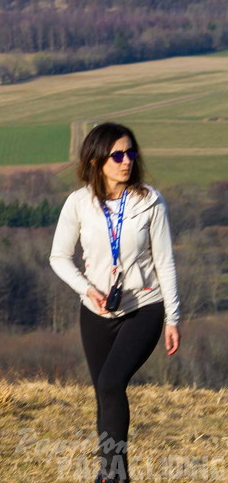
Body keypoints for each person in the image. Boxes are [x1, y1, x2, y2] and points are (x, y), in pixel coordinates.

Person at [49, 122, 181, 483]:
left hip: (144, 307)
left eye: (131, 153)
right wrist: (86, 289)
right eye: (118, 155)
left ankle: (113, 475)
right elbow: (59, 257)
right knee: (105, 394)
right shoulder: (78, 203)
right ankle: (109, 472)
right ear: (96, 161)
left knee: (110, 382)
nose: (127, 162)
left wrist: (173, 317)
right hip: (95, 311)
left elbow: (165, 261)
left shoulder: (149, 201)